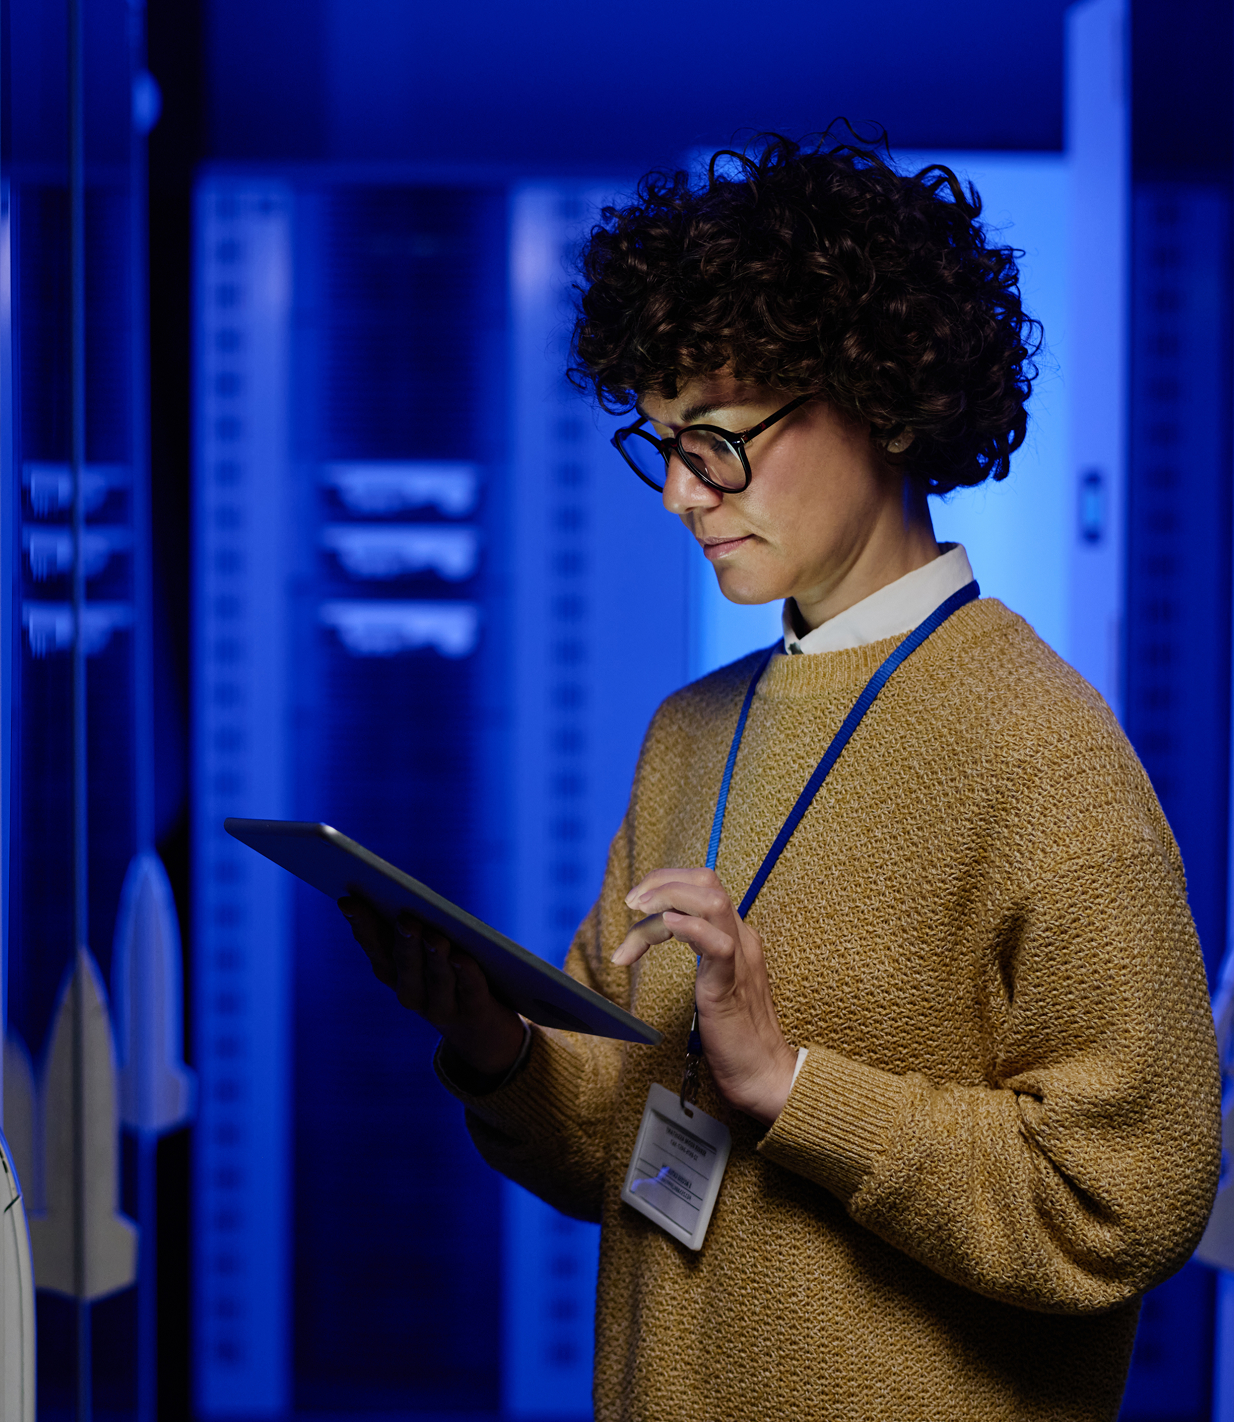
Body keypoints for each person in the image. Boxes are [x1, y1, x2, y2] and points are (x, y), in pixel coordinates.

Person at [340, 131, 1221, 1421]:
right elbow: (617, 1142)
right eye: (661, 446)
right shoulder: (689, 733)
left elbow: (1126, 1196)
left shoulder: (1049, 759)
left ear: (881, 396)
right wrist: (497, 1043)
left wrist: (792, 1087)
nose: (682, 496)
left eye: (718, 441)